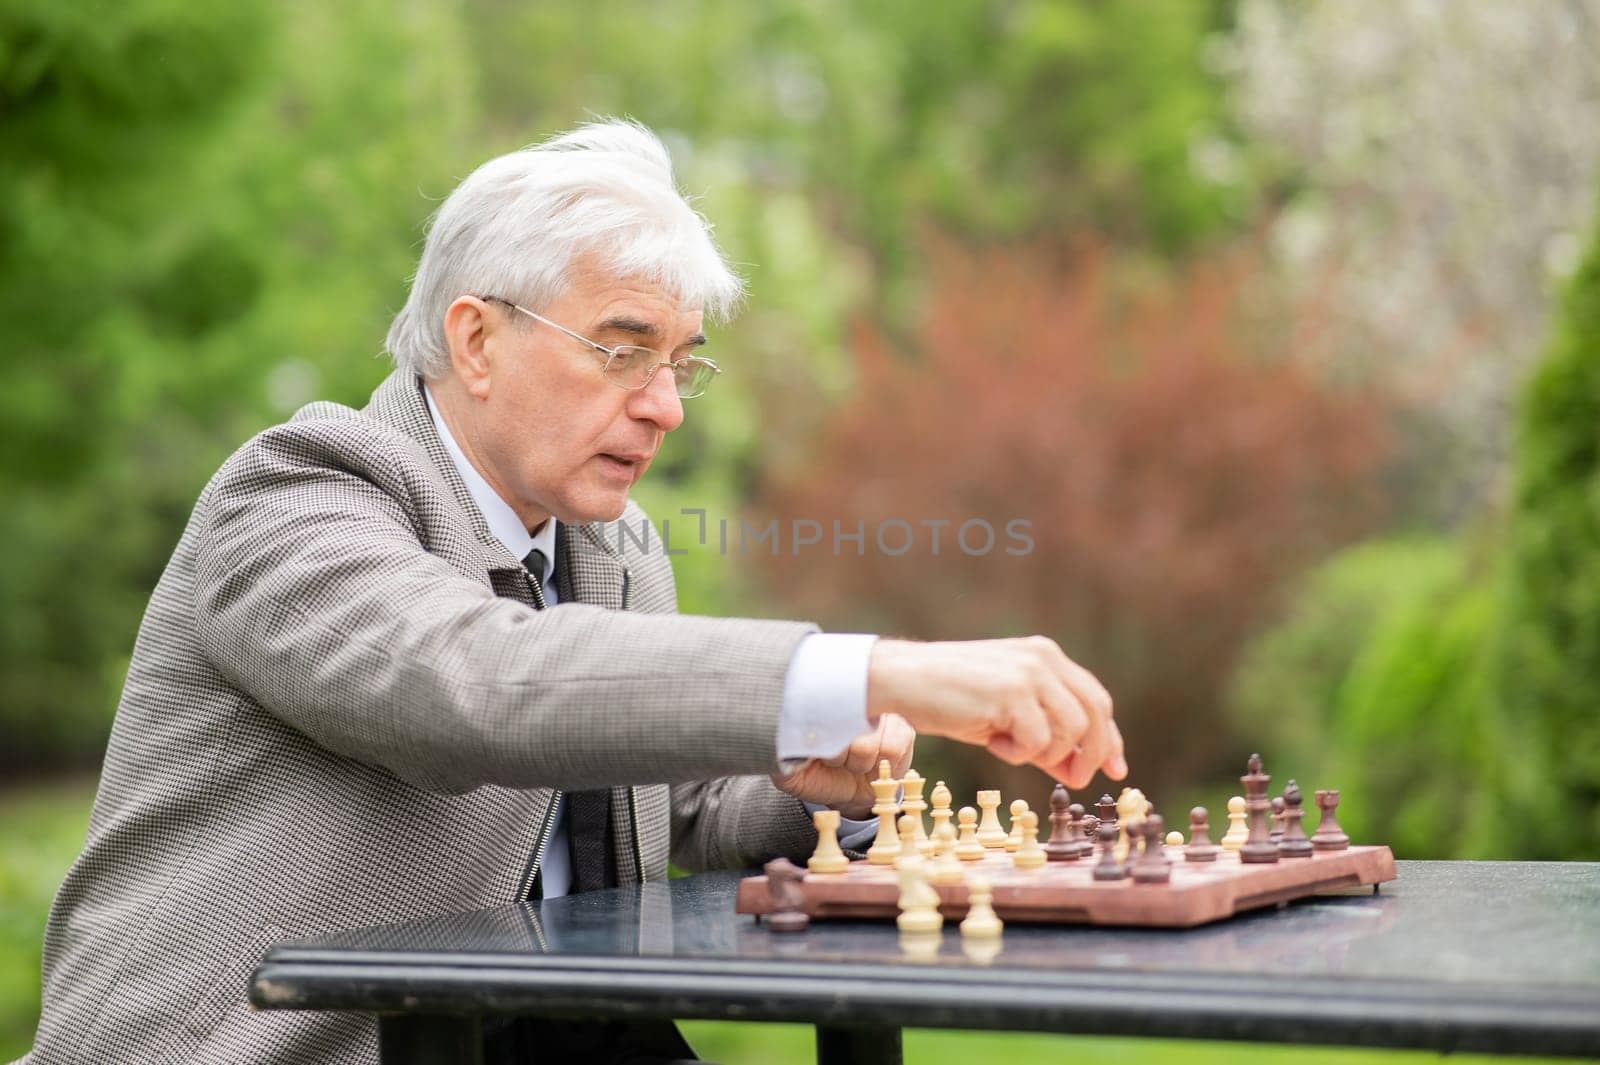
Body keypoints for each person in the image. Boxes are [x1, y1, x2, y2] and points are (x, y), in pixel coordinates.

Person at [22, 119, 1125, 1065]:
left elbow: (666, 794)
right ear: (477, 339)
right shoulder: (297, 494)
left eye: (683, 364)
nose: (666, 408)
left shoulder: (616, 547)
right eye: (621, 352)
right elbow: (474, 685)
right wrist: (869, 668)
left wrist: (809, 781)